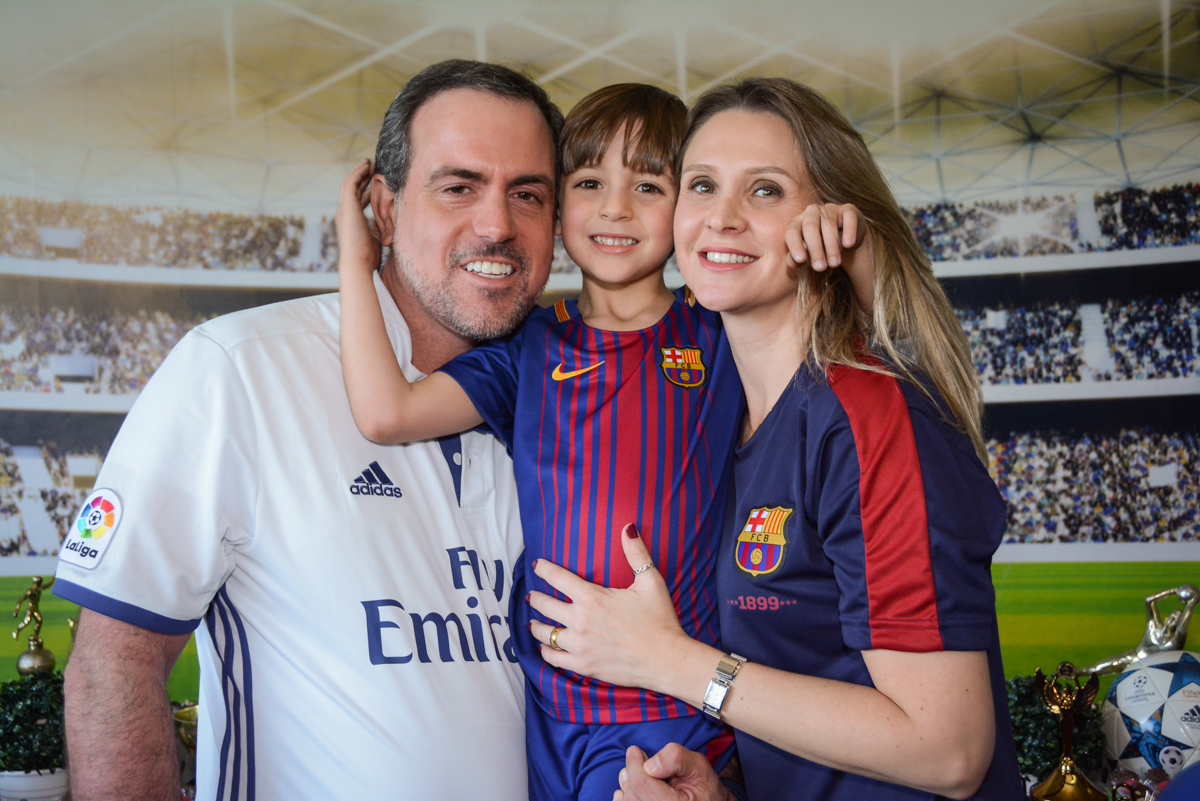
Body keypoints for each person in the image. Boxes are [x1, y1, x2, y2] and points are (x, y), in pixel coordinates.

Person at [336, 82, 876, 801]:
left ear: (685, 207)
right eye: (590, 182)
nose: (616, 207)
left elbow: (869, 359)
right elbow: (384, 413)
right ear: (558, 208)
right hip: (547, 718)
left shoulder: (720, 330)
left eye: (648, 184)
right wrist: (357, 255)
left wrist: (852, 247)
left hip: (664, 712)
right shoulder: (528, 349)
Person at [51, 59, 563, 800]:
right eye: (458, 186)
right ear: (383, 209)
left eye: (528, 194)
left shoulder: (575, 392)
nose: (497, 224)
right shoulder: (238, 367)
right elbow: (112, 661)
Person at [525, 77, 1025, 801]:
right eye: (701, 185)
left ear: (823, 217)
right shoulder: (728, 422)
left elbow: (948, 748)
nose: (722, 217)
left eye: (764, 191)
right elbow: (810, 701)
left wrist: (669, 661)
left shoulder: (867, 414)